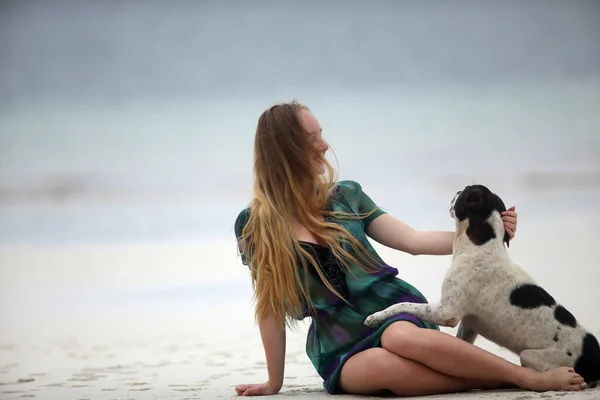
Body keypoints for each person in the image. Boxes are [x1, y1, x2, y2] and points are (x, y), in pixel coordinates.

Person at [233, 101, 584, 397]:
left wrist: (483, 238)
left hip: (391, 310)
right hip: (338, 342)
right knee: (382, 367)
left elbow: (412, 240)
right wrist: (273, 382)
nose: (325, 146)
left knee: (401, 338)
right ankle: (499, 377)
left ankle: (524, 377)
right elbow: (269, 308)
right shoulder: (253, 225)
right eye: (313, 139)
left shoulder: (345, 196)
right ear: (286, 151)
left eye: (321, 135)